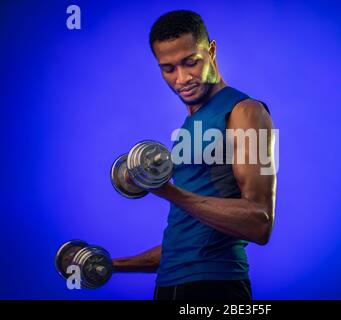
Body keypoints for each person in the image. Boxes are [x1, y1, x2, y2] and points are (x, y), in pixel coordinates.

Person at [112, 10, 277, 300]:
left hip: (217, 287)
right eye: (168, 68)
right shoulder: (188, 127)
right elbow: (185, 238)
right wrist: (110, 265)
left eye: (191, 62)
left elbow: (259, 222)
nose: (182, 78)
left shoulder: (246, 111)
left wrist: (165, 190)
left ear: (211, 50)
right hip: (169, 285)